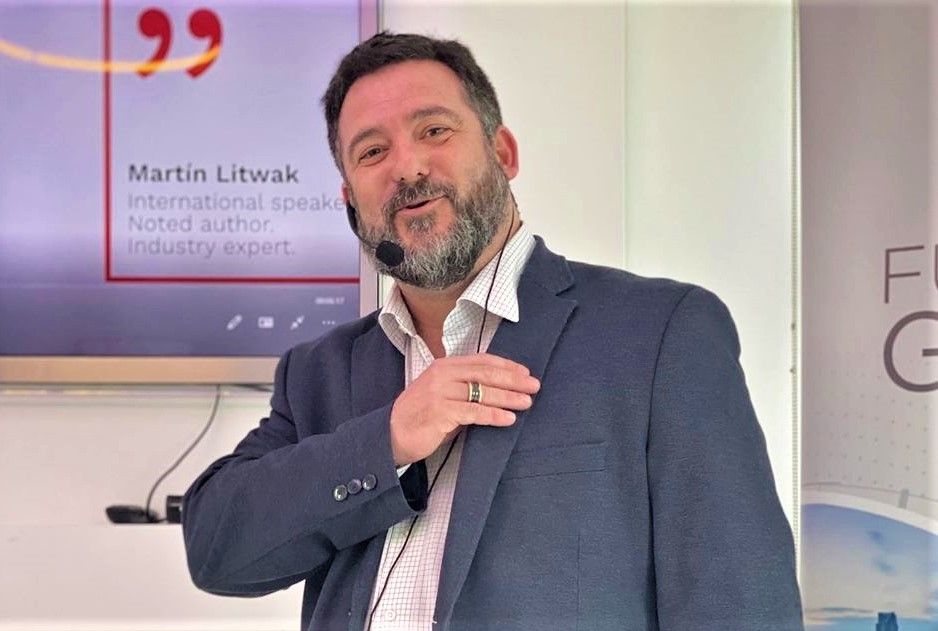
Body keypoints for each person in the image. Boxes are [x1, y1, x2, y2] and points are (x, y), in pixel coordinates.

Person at [182, 32, 804, 631]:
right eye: (372, 152)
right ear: (350, 200)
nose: (407, 167)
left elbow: (740, 605)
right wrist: (389, 439)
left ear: (503, 152)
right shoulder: (319, 373)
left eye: (434, 130)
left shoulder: (661, 333)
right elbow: (215, 550)